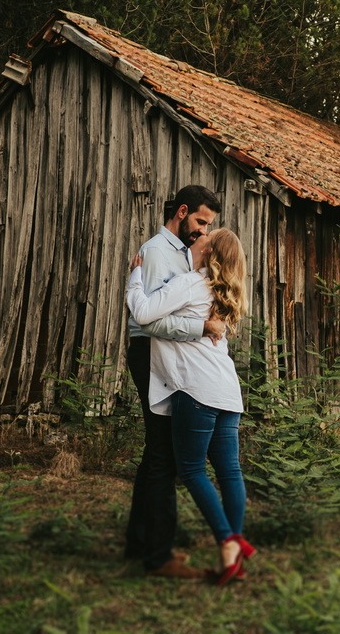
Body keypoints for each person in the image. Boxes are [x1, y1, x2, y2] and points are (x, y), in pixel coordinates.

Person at [126, 228, 256, 586]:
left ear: (209, 250)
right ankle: (234, 556)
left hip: (197, 390)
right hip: (228, 391)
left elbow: (142, 313)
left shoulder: (192, 283)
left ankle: (228, 542)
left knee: (192, 469)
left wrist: (135, 276)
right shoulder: (228, 295)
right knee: (229, 471)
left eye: (205, 237)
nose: (197, 238)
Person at [125, 185, 224, 580]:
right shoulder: (156, 252)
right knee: (164, 454)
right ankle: (158, 556)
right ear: (182, 211)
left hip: (168, 356)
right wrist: (201, 328)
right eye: (200, 221)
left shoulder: (183, 253)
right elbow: (147, 319)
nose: (203, 231)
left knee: (157, 452)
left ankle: (141, 543)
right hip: (150, 354)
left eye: (208, 225)